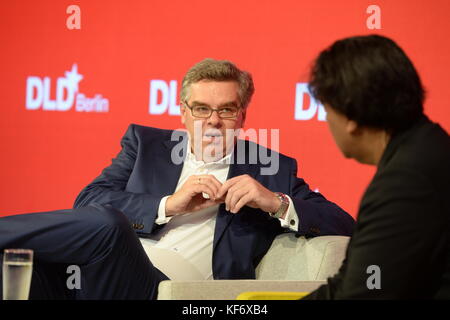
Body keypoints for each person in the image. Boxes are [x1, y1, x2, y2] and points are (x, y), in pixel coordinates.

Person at [0, 59, 354, 300]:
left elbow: (345, 223)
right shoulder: (145, 145)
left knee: (110, 225)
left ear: (242, 115)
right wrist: (167, 205)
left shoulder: (271, 167)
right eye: (201, 109)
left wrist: (275, 202)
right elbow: (88, 201)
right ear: (183, 112)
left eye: (226, 110)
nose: (213, 121)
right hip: (96, 275)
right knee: (17, 267)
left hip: (170, 289)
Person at [302, 35, 450, 299]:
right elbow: (350, 283)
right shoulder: (428, 148)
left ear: (350, 117)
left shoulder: (406, 182)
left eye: (326, 109)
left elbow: (363, 293)